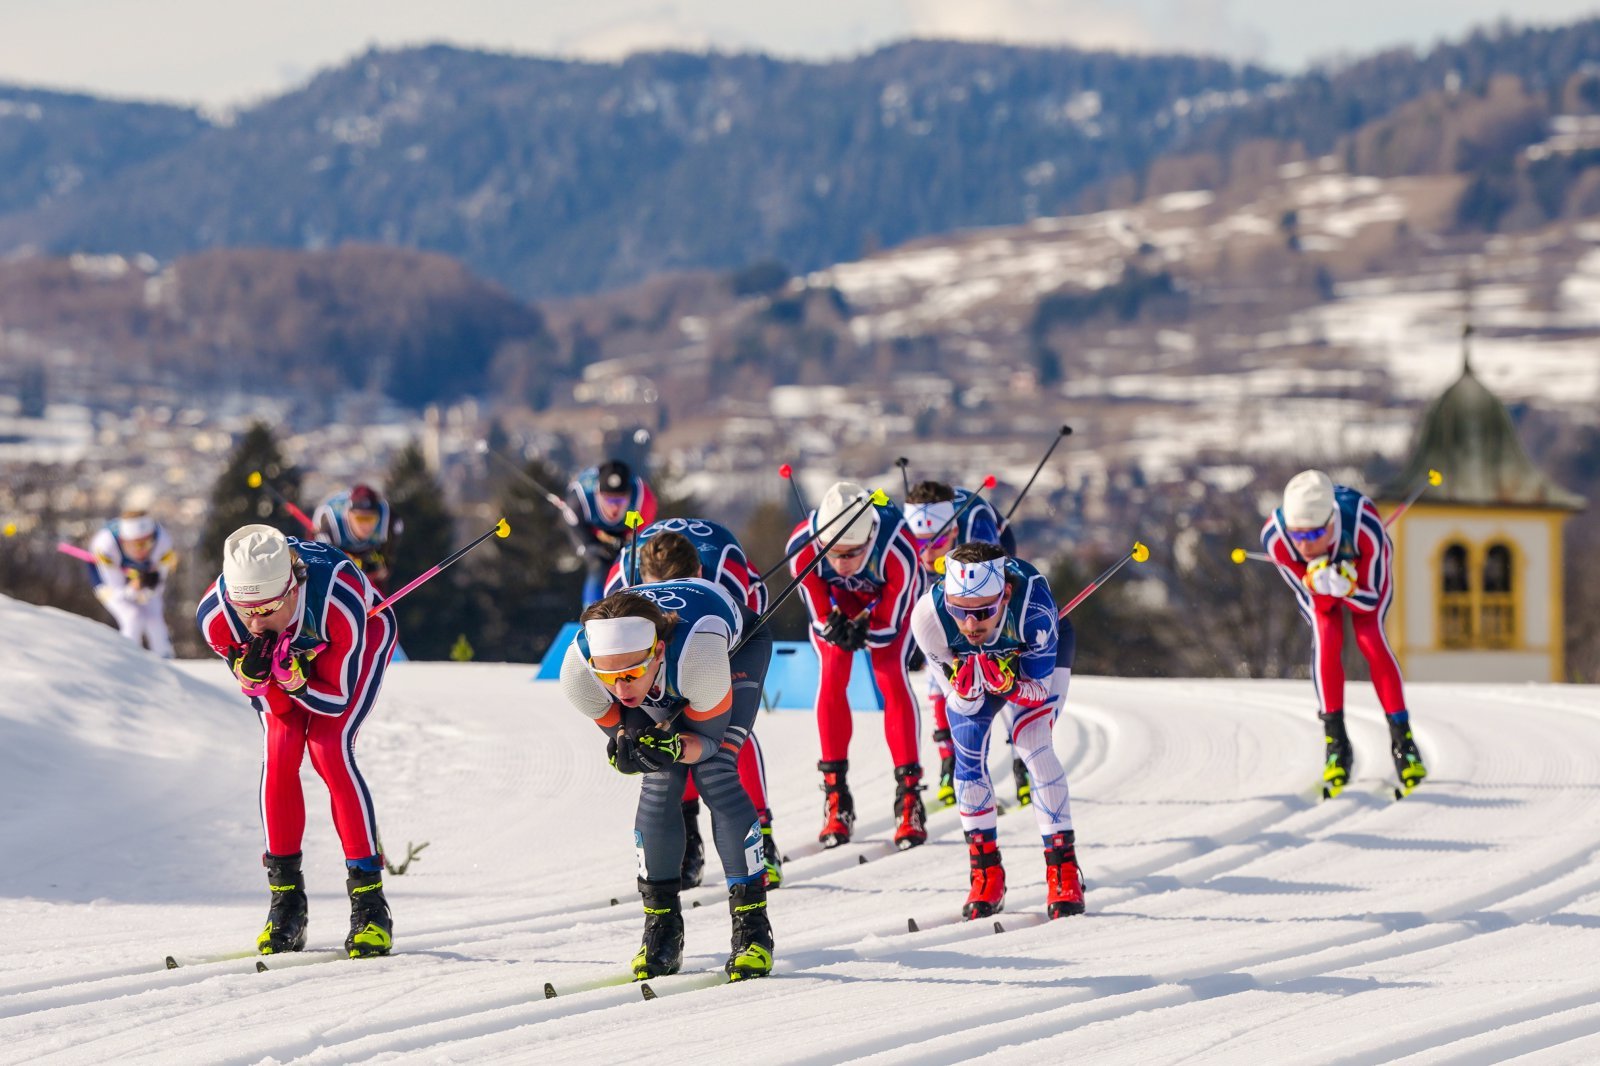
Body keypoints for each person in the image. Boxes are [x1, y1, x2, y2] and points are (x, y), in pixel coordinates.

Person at [196, 525, 400, 959]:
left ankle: (370, 904)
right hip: (300, 665)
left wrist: (295, 680)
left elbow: (334, 700)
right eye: (244, 610)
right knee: (280, 750)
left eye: (267, 609)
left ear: (292, 589)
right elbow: (281, 711)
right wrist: (258, 680)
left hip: (356, 641)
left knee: (329, 750)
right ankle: (286, 901)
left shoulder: (338, 600)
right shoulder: (217, 617)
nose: (254, 623)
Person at [558, 583, 775, 981]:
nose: (622, 688)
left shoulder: (700, 656)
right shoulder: (579, 674)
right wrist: (627, 745)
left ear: (657, 650)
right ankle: (661, 928)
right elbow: (624, 727)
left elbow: (707, 745)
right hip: (669, 668)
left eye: (631, 673)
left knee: (717, 775)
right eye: (609, 675)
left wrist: (674, 746)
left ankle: (752, 929)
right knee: (658, 780)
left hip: (732, 652)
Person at [909, 542, 1084, 921]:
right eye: (961, 612)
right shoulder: (928, 617)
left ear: (1004, 594)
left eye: (984, 612)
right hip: (984, 673)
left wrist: (1009, 684)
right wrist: (969, 687)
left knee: (1033, 742)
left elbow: (1037, 689)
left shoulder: (1033, 605)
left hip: (1029, 667)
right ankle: (985, 872)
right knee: (968, 753)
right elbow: (958, 695)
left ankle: (1062, 869)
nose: (971, 625)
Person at [606, 518, 784, 887]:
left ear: (698, 574)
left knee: (723, 727)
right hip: (650, 656)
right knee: (662, 737)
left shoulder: (729, 578)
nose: (666, 618)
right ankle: (688, 834)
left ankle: (762, 836)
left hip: (724, 632)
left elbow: (753, 629)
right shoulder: (619, 585)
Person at [1261, 470, 1427, 797]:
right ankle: (1336, 744)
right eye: (1298, 536)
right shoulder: (1277, 539)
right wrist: (1320, 585)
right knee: (1326, 638)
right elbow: (1317, 605)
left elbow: (1369, 603)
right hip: (1324, 593)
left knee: (1370, 641)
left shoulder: (1365, 528)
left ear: (1332, 524)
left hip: (1364, 578)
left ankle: (1403, 742)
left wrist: (1347, 587)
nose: (1304, 545)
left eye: (1314, 535)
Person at [785, 480, 924, 849]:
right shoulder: (802, 548)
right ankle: (836, 798)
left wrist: (865, 631)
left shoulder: (899, 550)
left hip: (884, 607)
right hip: (839, 608)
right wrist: (836, 629)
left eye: (853, 553)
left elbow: (893, 622)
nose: (842, 563)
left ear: (872, 536)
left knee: (890, 675)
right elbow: (817, 614)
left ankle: (909, 797)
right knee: (832, 676)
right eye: (834, 554)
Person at [903, 480, 1022, 810]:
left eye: (937, 541)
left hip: (985, 570)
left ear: (953, 530)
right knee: (940, 673)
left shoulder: (977, 523)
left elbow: (990, 588)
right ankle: (948, 763)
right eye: (919, 544)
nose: (927, 552)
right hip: (943, 587)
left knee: (1001, 669)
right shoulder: (915, 545)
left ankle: (1020, 760)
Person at [87, 507, 178, 658]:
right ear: (124, 541)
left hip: (139, 578)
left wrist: (148, 587)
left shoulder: (162, 541)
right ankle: (129, 660)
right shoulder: (106, 545)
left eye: (149, 542)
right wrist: (133, 589)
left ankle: (167, 659)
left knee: (154, 616)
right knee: (132, 617)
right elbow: (116, 591)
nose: (144, 550)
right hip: (107, 581)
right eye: (137, 544)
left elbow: (158, 586)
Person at [568, 460, 658, 606]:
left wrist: (626, 544)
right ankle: (591, 611)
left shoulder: (641, 500)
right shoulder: (580, 500)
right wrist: (592, 545)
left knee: (634, 565)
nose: (615, 507)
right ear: (597, 494)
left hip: (625, 530)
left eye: (620, 499)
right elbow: (578, 530)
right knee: (598, 563)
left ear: (629, 495)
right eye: (608, 500)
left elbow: (640, 536)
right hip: (593, 530)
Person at [313, 484, 394, 594]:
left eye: (371, 519)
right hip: (336, 546)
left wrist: (378, 571)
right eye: (360, 518)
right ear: (349, 515)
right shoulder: (330, 524)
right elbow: (323, 569)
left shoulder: (388, 520)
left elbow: (385, 563)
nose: (366, 526)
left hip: (369, 550)